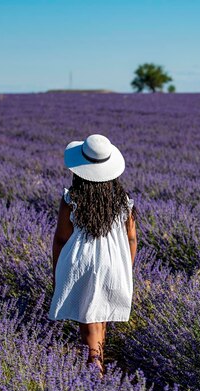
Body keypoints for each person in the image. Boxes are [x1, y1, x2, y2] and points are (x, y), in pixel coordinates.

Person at [48, 134, 137, 375]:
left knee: (87, 315)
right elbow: (131, 238)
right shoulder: (123, 202)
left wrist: (57, 270)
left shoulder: (71, 200)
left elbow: (61, 238)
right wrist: (125, 267)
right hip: (114, 263)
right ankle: (98, 358)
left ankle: (93, 362)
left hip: (81, 262)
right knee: (102, 314)